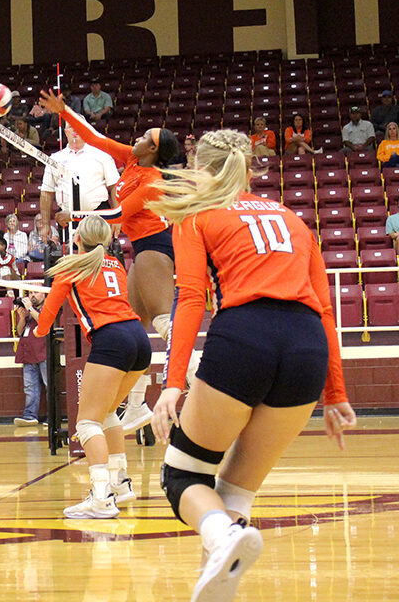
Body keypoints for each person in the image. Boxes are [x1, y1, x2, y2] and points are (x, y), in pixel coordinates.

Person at [147, 129, 356, 601]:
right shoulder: (294, 220)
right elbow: (324, 309)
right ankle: (219, 584)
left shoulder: (197, 214)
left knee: (182, 476)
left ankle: (220, 537)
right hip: (306, 351)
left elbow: (190, 299)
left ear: (202, 168)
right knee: (237, 489)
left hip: (245, 336)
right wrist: (336, 393)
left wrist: (172, 384)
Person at [39, 88, 183, 432]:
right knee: (137, 324)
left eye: (145, 137)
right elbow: (94, 137)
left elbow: (117, 214)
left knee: (165, 324)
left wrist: (74, 215)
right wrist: (64, 112)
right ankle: (135, 406)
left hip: (156, 247)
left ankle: (193, 376)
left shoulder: (153, 180)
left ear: (153, 151)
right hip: (141, 248)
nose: (137, 137)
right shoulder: (133, 161)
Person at [34, 215, 152, 518]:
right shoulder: (115, 263)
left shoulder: (72, 267)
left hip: (112, 340)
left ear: (77, 240)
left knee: (87, 423)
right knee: (108, 412)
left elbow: (47, 319)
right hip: (139, 339)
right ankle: (121, 484)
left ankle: (101, 496)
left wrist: (36, 328)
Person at [40, 122, 119, 235]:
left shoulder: (102, 155)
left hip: (98, 215)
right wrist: (45, 224)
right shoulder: (55, 158)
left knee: (99, 252)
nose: (75, 129)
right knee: (72, 252)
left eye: (79, 125)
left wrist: (117, 218)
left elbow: (115, 185)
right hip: (67, 219)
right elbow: (46, 193)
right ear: (66, 132)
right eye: (71, 126)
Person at [14, 291, 48, 426]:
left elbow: (44, 322)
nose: (32, 295)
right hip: (28, 353)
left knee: (49, 385)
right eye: (30, 293)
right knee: (29, 387)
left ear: (44, 294)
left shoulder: (47, 307)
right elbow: (19, 331)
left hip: (44, 352)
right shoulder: (30, 312)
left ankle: (52, 417)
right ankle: (30, 415)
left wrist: (30, 309)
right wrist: (22, 317)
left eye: (36, 292)